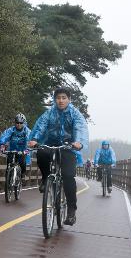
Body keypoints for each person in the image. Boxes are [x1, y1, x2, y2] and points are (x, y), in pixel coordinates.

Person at [27, 87, 89, 226]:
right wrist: (35, 139)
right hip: (50, 144)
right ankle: (45, 178)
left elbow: (80, 128)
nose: (60, 100)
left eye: (64, 98)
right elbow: (41, 126)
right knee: (41, 153)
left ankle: (71, 210)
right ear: (55, 100)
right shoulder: (49, 113)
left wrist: (78, 142)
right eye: (58, 98)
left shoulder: (75, 114)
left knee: (68, 175)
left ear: (69, 99)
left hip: (69, 146)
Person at [0, 113, 31, 180]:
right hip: (12, 150)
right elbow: (4, 137)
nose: (19, 124)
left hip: (22, 150)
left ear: (24, 123)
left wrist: (27, 149)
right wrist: (2, 145)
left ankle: (22, 174)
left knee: (22, 161)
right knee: (9, 164)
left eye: (21, 123)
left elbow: (29, 140)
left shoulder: (26, 131)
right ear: (15, 123)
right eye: (17, 122)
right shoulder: (11, 130)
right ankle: (8, 180)